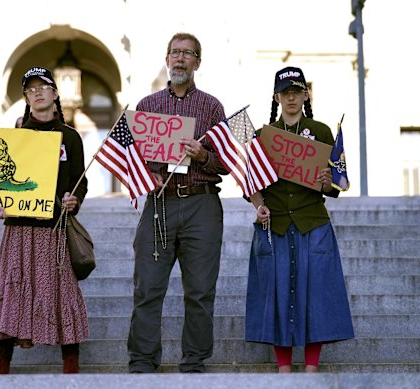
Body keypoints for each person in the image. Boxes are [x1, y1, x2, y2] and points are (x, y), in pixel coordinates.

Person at [127, 32, 228, 373]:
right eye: (175, 52)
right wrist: (146, 177)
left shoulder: (212, 106)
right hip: (159, 203)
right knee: (148, 286)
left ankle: (194, 360)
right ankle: (142, 360)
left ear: (198, 62)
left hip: (202, 204)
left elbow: (227, 161)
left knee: (200, 290)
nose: (180, 58)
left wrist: (202, 155)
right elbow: (132, 157)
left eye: (188, 53)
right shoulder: (148, 106)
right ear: (166, 58)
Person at [245, 66, 355, 373]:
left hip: (312, 223)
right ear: (277, 97)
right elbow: (252, 182)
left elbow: (337, 184)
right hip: (276, 224)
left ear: (305, 94)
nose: (291, 98)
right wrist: (259, 206)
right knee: (276, 292)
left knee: (315, 294)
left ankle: (310, 367)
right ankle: (283, 368)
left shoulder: (321, 131)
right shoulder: (263, 136)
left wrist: (324, 181)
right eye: (285, 92)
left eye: (296, 91)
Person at [0, 66, 89, 374]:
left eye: (43, 87)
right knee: (12, 290)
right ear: (26, 98)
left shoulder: (70, 138)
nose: (38, 93)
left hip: (54, 228)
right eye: (31, 89)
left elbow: (80, 180)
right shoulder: (14, 139)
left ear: (55, 94)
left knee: (62, 291)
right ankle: (1, 365)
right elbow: (0, 182)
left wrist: (75, 199)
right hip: (18, 227)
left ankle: (71, 364)